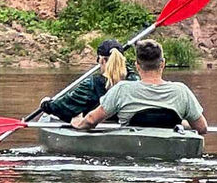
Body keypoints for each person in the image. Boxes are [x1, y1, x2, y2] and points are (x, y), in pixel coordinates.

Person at [74, 39, 209, 134]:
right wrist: (182, 123)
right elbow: (202, 128)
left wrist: (79, 123)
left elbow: (91, 120)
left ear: (137, 66)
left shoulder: (122, 90)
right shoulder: (181, 91)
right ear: (162, 64)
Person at [29, 40, 128, 123]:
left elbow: (65, 107)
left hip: (97, 129)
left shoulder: (92, 84)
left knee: (48, 115)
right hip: (125, 127)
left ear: (101, 60)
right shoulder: (133, 80)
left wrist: (46, 105)